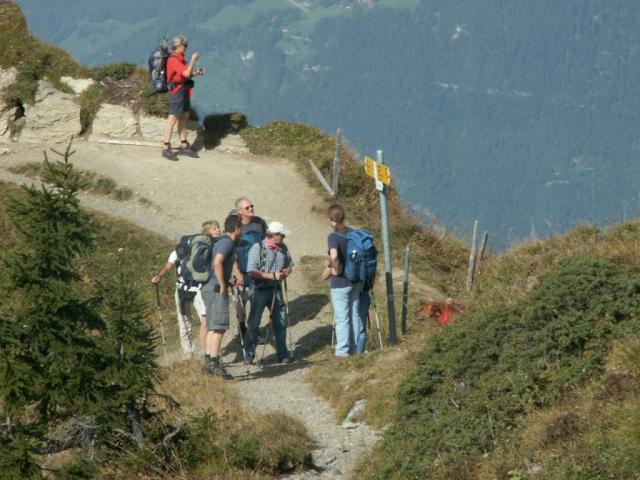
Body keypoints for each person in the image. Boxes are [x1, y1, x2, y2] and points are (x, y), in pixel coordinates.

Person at [151, 220, 221, 359]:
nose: (218, 230)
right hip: (199, 290)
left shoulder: (181, 249)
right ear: (207, 232)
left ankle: (190, 355)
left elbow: (168, 266)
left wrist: (159, 276)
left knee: (185, 323)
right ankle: (205, 353)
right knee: (206, 321)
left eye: (218, 228)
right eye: (215, 228)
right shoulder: (211, 248)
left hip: (181, 290)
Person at [243, 221, 294, 364]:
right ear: (272, 235)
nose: (283, 237)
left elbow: (290, 264)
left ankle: (283, 354)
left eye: (283, 234)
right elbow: (251, 271)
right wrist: (272, 275)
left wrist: (286, 271)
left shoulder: (283, 248)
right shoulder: (257, 248)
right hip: (259, 290)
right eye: (280, 234)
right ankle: (249, 354)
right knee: (254, 323)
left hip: (276, 290)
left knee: (281, 322)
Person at [201, 214, 243, 377]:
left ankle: (209, 361)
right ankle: (213, 364)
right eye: (242, 228)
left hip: (209, 286)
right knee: (219, 327)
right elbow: (217, 262)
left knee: (213, 326)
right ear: (237, 228)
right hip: (216, 287)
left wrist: (227, 279)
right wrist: (223, 284)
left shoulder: (221, 241)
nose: (243, 231)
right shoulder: (226, 242)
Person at [325, 203, 364, 357]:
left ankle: (342, 352)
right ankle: (354, 348)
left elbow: (334, 256)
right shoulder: (354, 233)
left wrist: (336, 269)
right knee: (354, 314)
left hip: (340, 283)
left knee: (342, 318)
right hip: (356, 280)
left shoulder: (333, 236)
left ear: (331, 219)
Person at [162, 35, 204, 161]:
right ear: (179, 46)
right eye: (185, 46)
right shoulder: (173, 59)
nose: (186, 48)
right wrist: (193, 60)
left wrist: (196, 72)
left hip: (184, 89)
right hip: (176, 92)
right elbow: (185, 73)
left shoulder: (181, 58)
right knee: (173, 118)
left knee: (184, 116)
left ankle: (184, 144)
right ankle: (166, 147)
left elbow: (186, 74)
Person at [233, 197, 268, 339]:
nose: (251, 209)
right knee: (241, 301)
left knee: (255, 301)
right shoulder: (234, 226)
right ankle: (242, 327)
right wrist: (236, 272)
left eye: (252, 206)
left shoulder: (260, 222)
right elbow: (230, 251)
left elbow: (266, 242)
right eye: (247, 207)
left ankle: (254, 330)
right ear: (239, 211)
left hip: (257, 269)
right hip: (241, 268)